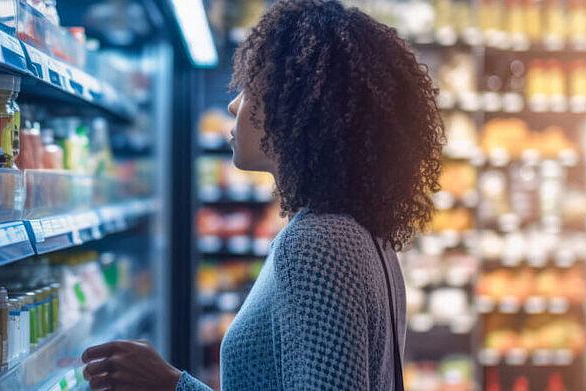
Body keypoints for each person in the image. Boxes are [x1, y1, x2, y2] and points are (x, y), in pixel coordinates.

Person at [79, 0, 445, 390]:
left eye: (251, 89)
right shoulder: (364, 233)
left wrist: (172, 385)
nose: (233, 104)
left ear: (300, 107)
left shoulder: (317, 244)